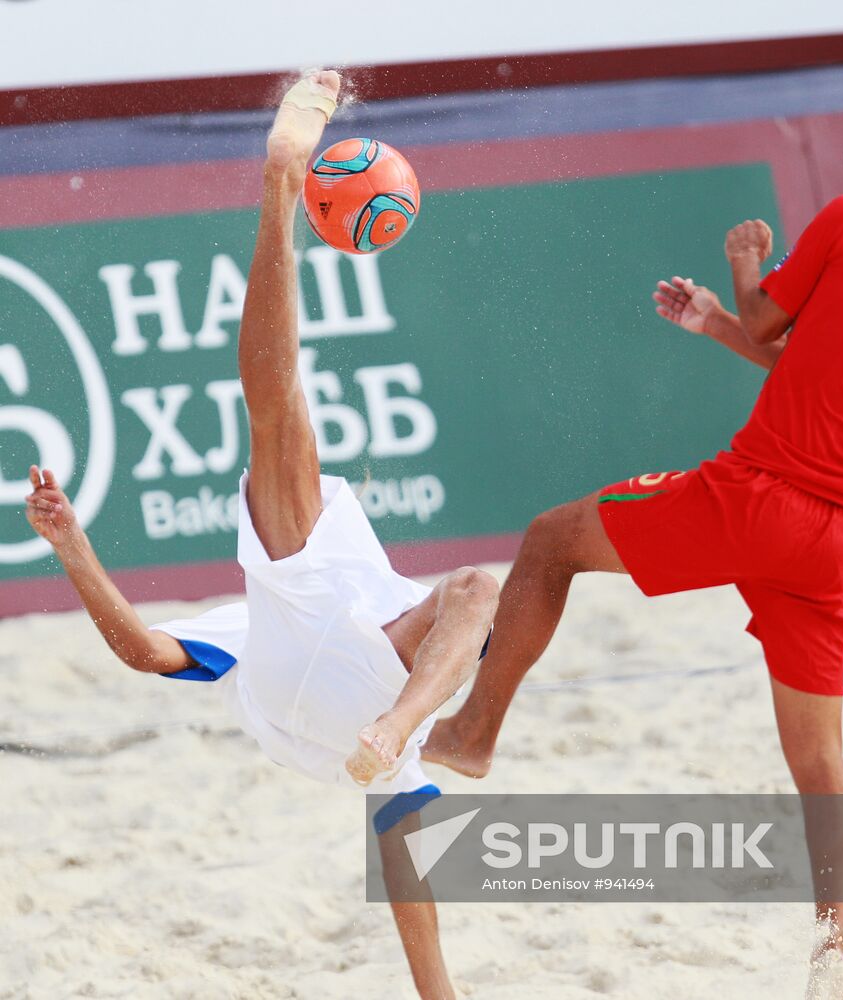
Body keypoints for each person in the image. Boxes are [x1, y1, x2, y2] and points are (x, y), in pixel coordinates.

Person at [423, 139, 843, 987]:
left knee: (548, 540)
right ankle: (833, 944)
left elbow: (768, 320)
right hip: (837, 538)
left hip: (758, 496)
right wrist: (713, 321)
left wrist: (745, 266)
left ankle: (473, 732)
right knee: (821, 759)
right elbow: (805, 366)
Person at [23, 71, 498, 1000]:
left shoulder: (259, 622)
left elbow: (143, 652)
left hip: (311, 708)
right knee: (470, 599)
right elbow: (408, 852)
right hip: (367, 716)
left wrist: (73, 546)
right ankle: (408, 734)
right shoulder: (370, 605)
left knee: (281, 418)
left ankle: (281, 183)